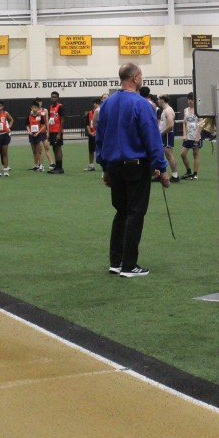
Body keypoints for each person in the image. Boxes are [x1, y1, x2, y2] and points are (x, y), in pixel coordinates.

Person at [96, 63, 170, 278]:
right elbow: (152, 138)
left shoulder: (107, 104)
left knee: (121, 212)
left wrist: (104, 167)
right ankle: (129, 265)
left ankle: (116, 261)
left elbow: (101, 137)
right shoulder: (142, 104)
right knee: (135, 213)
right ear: (135, 77)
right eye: (141, 76)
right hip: (136, 166)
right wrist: (161, 167)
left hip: (114, 166)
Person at [157, 94, 181, 182]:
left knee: (169, 155)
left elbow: (170, 125)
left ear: (162, 100)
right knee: (166, 155)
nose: (158, 101)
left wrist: (161, 134)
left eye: (159, 99)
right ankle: (162, 174)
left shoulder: (168, 110)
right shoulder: (165, 110)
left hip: (167, 135)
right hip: (165, 134)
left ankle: (175, 176)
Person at [180, 92, 201, 180]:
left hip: (196, 136)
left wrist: (197, 135)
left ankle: (195, 174)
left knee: (195, 154)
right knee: (182, 153)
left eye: (191, 99)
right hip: (188, 136)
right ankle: (188, 171)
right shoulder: (186, 110)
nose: (190, 101)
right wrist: (184, 134)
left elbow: (201, 123)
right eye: (188, 99)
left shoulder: (199, 110)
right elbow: (184, 122)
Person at [47, 91, 65, 174]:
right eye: (52, 97)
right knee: (54, 148)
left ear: (58, 98)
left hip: (57, 131)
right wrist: (49, 132)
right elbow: (50, 120)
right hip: (52, 131)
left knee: (58, 148)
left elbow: (62, 120)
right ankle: (56, 167)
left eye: (55, 97)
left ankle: (60, 168)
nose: (53, 98)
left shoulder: (60, 107)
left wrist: (59, 133)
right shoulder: (50, 107)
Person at [27, 99, 48, 171]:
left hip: (38, 135)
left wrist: (38, 132)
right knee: (34, 151)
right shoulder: (29, 117)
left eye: (35, 107)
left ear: (38, 108)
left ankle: (41, 165)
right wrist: (29, 131)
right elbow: (27, 125)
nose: (34, 109)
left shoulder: (40, 116)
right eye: (33, 107)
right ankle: (36, 165)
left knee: (40, 150)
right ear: (31, 108)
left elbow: (43, 125)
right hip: (31, 135)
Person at [84, 98, 101, 171]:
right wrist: (90, 132)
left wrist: (97, 131)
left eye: (97, 103)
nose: (95, 105)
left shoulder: (101, 112)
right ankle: (91, 165)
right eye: (95, 103)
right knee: (91, 150)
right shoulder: (90, 113)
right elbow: (87, 124)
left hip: (99, 134)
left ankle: (104, 165)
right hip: (92, 134)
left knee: (101, 149)